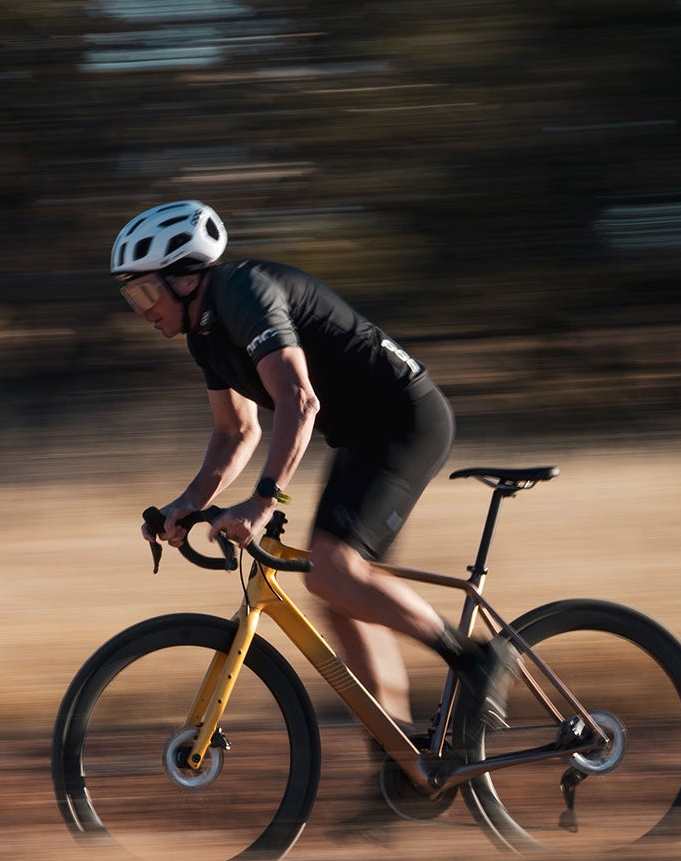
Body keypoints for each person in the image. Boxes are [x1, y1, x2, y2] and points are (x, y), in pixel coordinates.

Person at [113, 199, 514, 776]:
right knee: (339, 595)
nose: (141, 310)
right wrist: (184, 506)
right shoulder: (205, 335)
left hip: (405, 420)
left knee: (330, 570)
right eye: (131, 298)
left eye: (145, 294)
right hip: (360, 437)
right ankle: (405, 770)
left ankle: (475, 659)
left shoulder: (244, 295)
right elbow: (236, 431)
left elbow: (300, 400)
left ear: (185, 276)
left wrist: (262, 500)